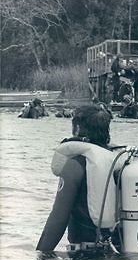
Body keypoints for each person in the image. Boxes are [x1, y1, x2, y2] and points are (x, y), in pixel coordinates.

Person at [36, 105, 119, 252]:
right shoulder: (117, 160)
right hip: (118, 251)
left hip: (85, 256)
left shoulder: (75, 165)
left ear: (78, 128)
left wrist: (41, 255)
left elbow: (58, 218)